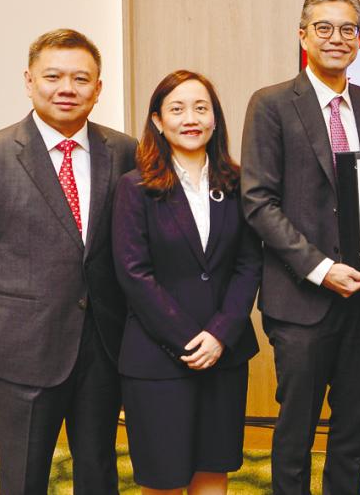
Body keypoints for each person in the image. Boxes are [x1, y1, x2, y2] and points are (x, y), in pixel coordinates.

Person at [0, 29, 136, 494]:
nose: (67, 88)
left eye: (81, 78)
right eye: (53, 76)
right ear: (29, 81)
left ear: (98, 88)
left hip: (103, 345)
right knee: (24, 476)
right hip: (20, 345)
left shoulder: (123, 151)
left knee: (99, 470)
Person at [240, 0, 360, 495]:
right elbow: (258, 202)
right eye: (324, 28)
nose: (337, 38)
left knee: (353, 424)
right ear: (303, 35)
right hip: (301, 298)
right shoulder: (270, 104)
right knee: (297, 429)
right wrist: (320, 268)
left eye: (348, 28)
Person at [112, 70, 261, 494]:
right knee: (164, 477)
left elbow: (249, 265)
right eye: (177, 109)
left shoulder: (236, 182)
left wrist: (219, 335)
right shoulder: (135, 187)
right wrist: (188, 339)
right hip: (157, 358)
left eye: (201, 108)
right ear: (158, 121)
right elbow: (133, 273)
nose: (190, 118)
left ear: (215, 119)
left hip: (225, 355)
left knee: (214, 469)